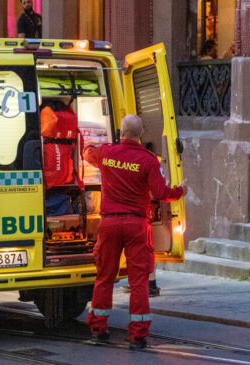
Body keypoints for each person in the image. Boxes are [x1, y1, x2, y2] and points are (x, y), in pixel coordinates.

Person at [84, 114, 187, 349]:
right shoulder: (148, 160)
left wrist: (87, 143)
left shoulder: (107, 153)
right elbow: (161, 193)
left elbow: (87, 153)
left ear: (121, 133)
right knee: (139, 280)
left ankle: (98, 328)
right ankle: (138, 336)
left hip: (109, 224)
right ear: (141, 135)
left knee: (104, 276)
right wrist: (180, 191)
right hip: (137, 225)